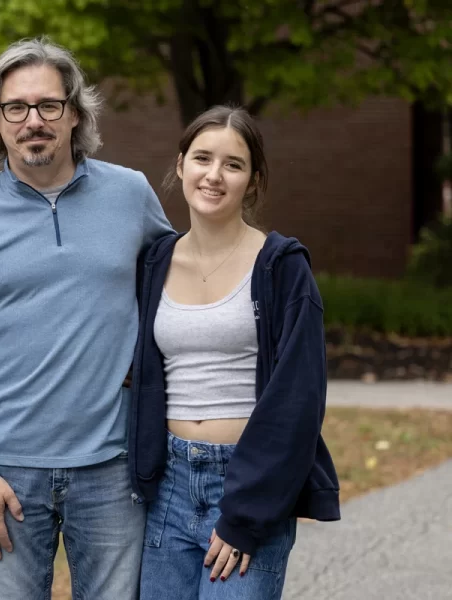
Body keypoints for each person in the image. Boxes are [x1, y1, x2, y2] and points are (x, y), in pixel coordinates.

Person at [0, 38, 173, 599]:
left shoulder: (130, 194)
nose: (33, 120)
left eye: (48, 105)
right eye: (16, 108)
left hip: (113, 465)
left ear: (75, 114)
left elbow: (181, 281)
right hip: (6, 474)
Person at [128, 105, 341, 600]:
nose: (214, 176)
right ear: (181, 165)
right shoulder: (154, 261)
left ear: (253, 180)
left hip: (248, 485)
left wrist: (247, 513)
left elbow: (298, 402)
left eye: (233, 164)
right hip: (169, 487)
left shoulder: (281, 268)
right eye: (202, 158)